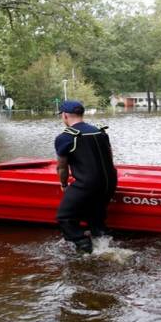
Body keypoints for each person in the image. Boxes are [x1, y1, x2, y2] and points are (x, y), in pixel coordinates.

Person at [54, 100, 117, 254]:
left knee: (64, 217)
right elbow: (110, 157)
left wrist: (64, 184)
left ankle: (83, 245)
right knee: (95, 216)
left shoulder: (66, 137)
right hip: (109, 182)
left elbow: (62, 166)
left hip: (87, 183)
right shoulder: (100, 132)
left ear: (65, 115)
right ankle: (103, 244)